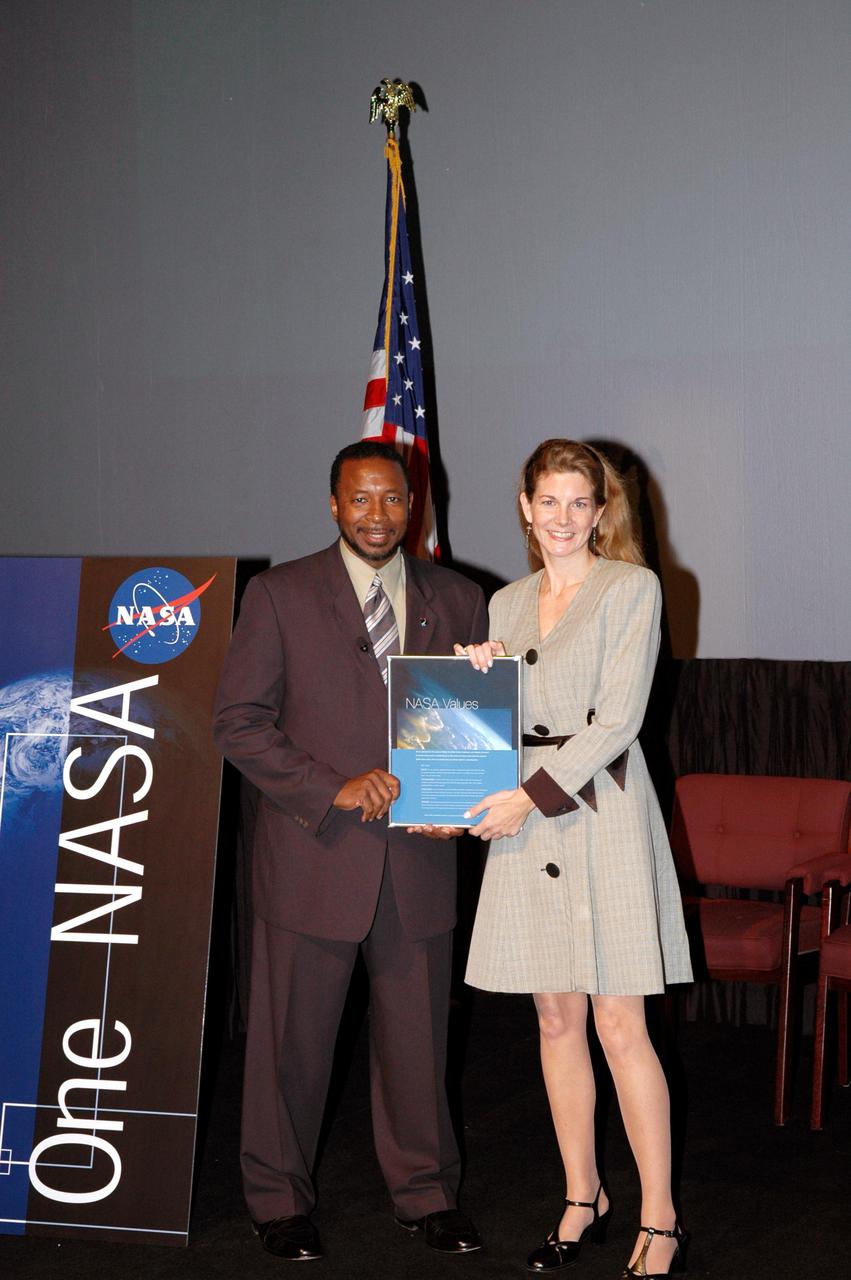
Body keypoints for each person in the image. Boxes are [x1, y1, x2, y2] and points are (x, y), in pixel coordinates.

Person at [214, 441, 487, 1262]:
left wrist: (464, 799)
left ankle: (427, 1194)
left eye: (393, 499)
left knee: (418, 1046)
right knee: (289, 1049)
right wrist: (329, 787)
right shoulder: (278, 595)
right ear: (333, 505)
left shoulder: (460, 598)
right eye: (360, 499)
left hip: (419, 862)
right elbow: (238, 724)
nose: (378, 515)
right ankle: (277, 1202)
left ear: (414, 505)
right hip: (315, 856)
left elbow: (472, 724)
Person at [456, 440, 693, 1278]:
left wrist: (526, 796)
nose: (562, 518)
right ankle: (581, 1195)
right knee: (554, 1020)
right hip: (526, 824)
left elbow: (618, 719)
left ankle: (660, 1219)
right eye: (547, 501)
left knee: (619, 1025)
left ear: (600, 511)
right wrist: (478, 681)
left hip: (599, 816)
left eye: (578, 502)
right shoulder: (505, 602)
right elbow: (497, 721)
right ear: (525, 507)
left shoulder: (631, 588)